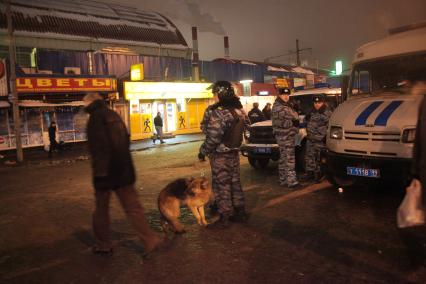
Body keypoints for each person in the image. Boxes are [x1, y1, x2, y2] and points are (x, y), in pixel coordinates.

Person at [83, 93, 164, 255]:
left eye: (84, 103)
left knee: (101, 210)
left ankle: (103, 243)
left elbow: (100, 149)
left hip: (105, 173)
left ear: (89, 103)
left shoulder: (95, 119)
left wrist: (100, 174)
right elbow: (124, 141)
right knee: (133, 208)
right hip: (124, 170)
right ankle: (149, 239)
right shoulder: (114, 114)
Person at [198, 81, 249, 229]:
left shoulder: (219, 112)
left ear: (220, 94)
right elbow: (246, 128)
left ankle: (224, 216)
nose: (213, 97)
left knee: (222, 185)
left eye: (214, 94)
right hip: (234, 153)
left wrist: (202, 151)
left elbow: (213, 138)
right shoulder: (239, 110)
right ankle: (240, 212)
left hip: (220, 155)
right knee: (235, 182)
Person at [272, 88, 301, 188]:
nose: (286, 96)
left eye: (287, 95)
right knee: (289, 159)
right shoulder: (282, 107)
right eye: (283, 95)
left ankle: (283, 180)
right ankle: (291, 181)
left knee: (283, 158)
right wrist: (295, 122)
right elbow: (295, 118)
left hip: (282, 137)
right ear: (279, 95)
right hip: (286, 136)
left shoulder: (280, 106)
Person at [301, 94, 333, 183]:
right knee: (309, 157)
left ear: (323, 102)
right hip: (310, 139)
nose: (317, 104)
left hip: (320, 140)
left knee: (319, 158)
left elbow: (330, 126)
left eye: (319, 102)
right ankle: (309, 173)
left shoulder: (328, 112)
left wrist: (325, 137)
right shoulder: (311, 111)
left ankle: (320, 175)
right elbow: (305, 121)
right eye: (315, 102)